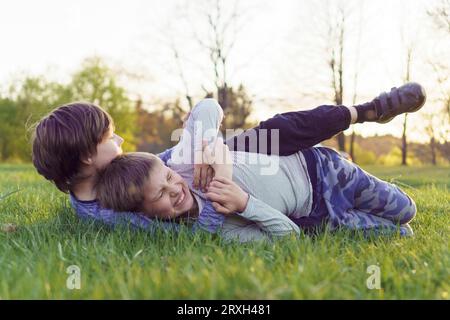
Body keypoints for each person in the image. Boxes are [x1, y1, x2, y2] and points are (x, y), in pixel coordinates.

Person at [94, 83, 426, 242]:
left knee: (406, 211)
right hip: (319, 215)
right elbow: (289, 238)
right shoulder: (219, 229)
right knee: (403, 235)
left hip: (324, 168)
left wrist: (209, 143)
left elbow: (207, 108)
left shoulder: (184, 164)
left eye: (167, 177)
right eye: (160, 195)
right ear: (147, 214)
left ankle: (364, 112)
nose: (175, 188)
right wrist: (246, 204)